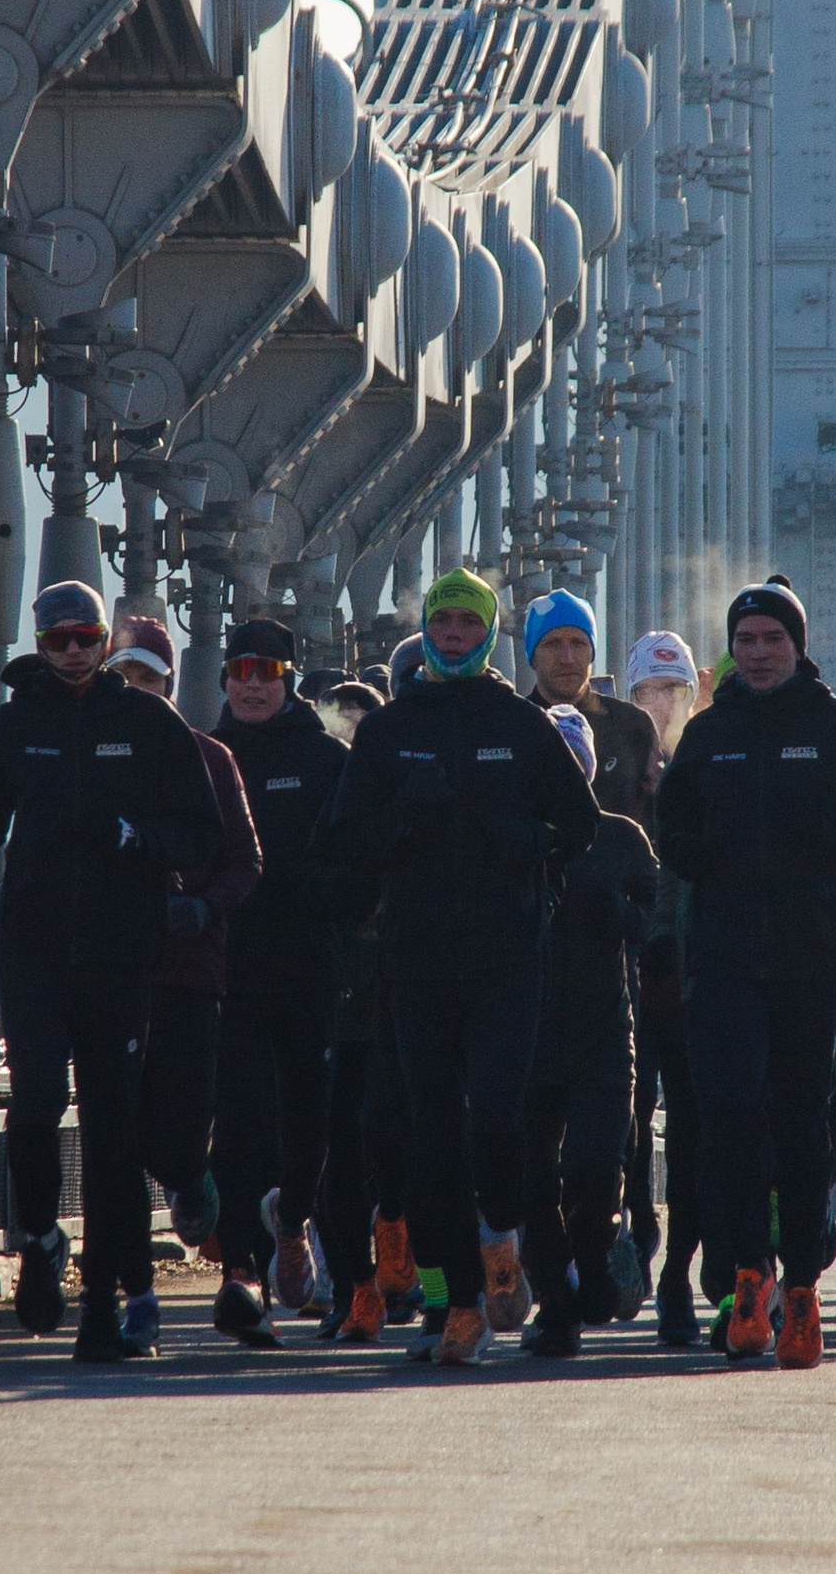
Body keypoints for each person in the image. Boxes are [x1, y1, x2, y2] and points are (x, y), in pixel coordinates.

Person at [316, 565, 598, 1367]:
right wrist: (405, 811)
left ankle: (501, 1229)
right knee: (430, 1142)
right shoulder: (389, 729)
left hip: (507, 959)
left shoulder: (520, 722)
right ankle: (457, 1305)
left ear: (489, 632)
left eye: (468, 624)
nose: (452, 635)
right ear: (429, 630)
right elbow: (346, 845)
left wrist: (529, 842)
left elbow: (579, 824)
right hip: (417, 960)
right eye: (442, 622)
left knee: (498, 1122)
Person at [0, 576, 223, 1363]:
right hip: (32, 947)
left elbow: (199, 833)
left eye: (86, 637)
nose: (73, 650)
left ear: (105, 640)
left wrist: (142, 838)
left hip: (119, 952)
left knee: (112, 1132)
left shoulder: (145, 722)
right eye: (59, 638)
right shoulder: (14, 725)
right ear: (40, 642)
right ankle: (38, 1236)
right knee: (34, 1104)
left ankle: (107, 1304)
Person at [656, 579, 836, 1370]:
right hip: (725, 957)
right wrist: (706, 851)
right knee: (730, 1120)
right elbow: (673, 827)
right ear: (731, 649)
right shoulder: (710, 733)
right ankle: (747, 1280)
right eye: (747, 640)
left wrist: (826, 836)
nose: (760, 652)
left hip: (809, 958)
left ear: (798, 646)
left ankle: (801, 1291)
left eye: (773, 638)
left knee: (801, 1123)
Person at [108, 607, 266, 1345]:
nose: (135, 688)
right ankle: (134, 1295)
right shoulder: (92, 755)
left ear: (169, 685)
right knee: (113, 1140)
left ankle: (193, 1180)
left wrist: (202, 908)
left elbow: (245, 858)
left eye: (148, 677)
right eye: (123, 675)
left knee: (175, 1134)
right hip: (106, 973)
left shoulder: (209, 758)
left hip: (189, 973)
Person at [204, 612, 354, 1336]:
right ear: (225, 677)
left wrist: (312, 894)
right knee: (236, 1124)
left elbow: (353, 856)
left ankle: (292, 1218)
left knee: (308, 1120)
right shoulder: (203, 755)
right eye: (240, 671)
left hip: (308, 968)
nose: (252, 684)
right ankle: (241, 1271)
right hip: (228, 971)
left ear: (288, 679)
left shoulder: (323, 758)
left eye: (266, 672)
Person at [520, 707, 659, 1355]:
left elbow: (662, 921)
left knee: (594, 1161)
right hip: (522, 1028)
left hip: (605, 1029)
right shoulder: (513, 837)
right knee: (529, 1177)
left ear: (589, 763)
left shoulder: (623, 838)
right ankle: (555, 1303)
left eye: (572, 757)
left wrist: (624, 915)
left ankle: (596, 1259)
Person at [621, 630, 702, 1343]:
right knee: (627, 1120)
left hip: (687, 982)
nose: (662, 703)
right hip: (623, 980)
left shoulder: (705, 767)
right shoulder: (615, 767)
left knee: (694, 1129)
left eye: (674, 690)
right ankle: (639, 1231)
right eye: (649, 690)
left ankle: (680, 1267)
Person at [521, 587, 656, 820]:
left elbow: (657, 815)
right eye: (552, 643)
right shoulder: (513, 725)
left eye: (578, 643)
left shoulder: (632, 724)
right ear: (532, 657)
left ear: (592, 653)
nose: (567, 658)